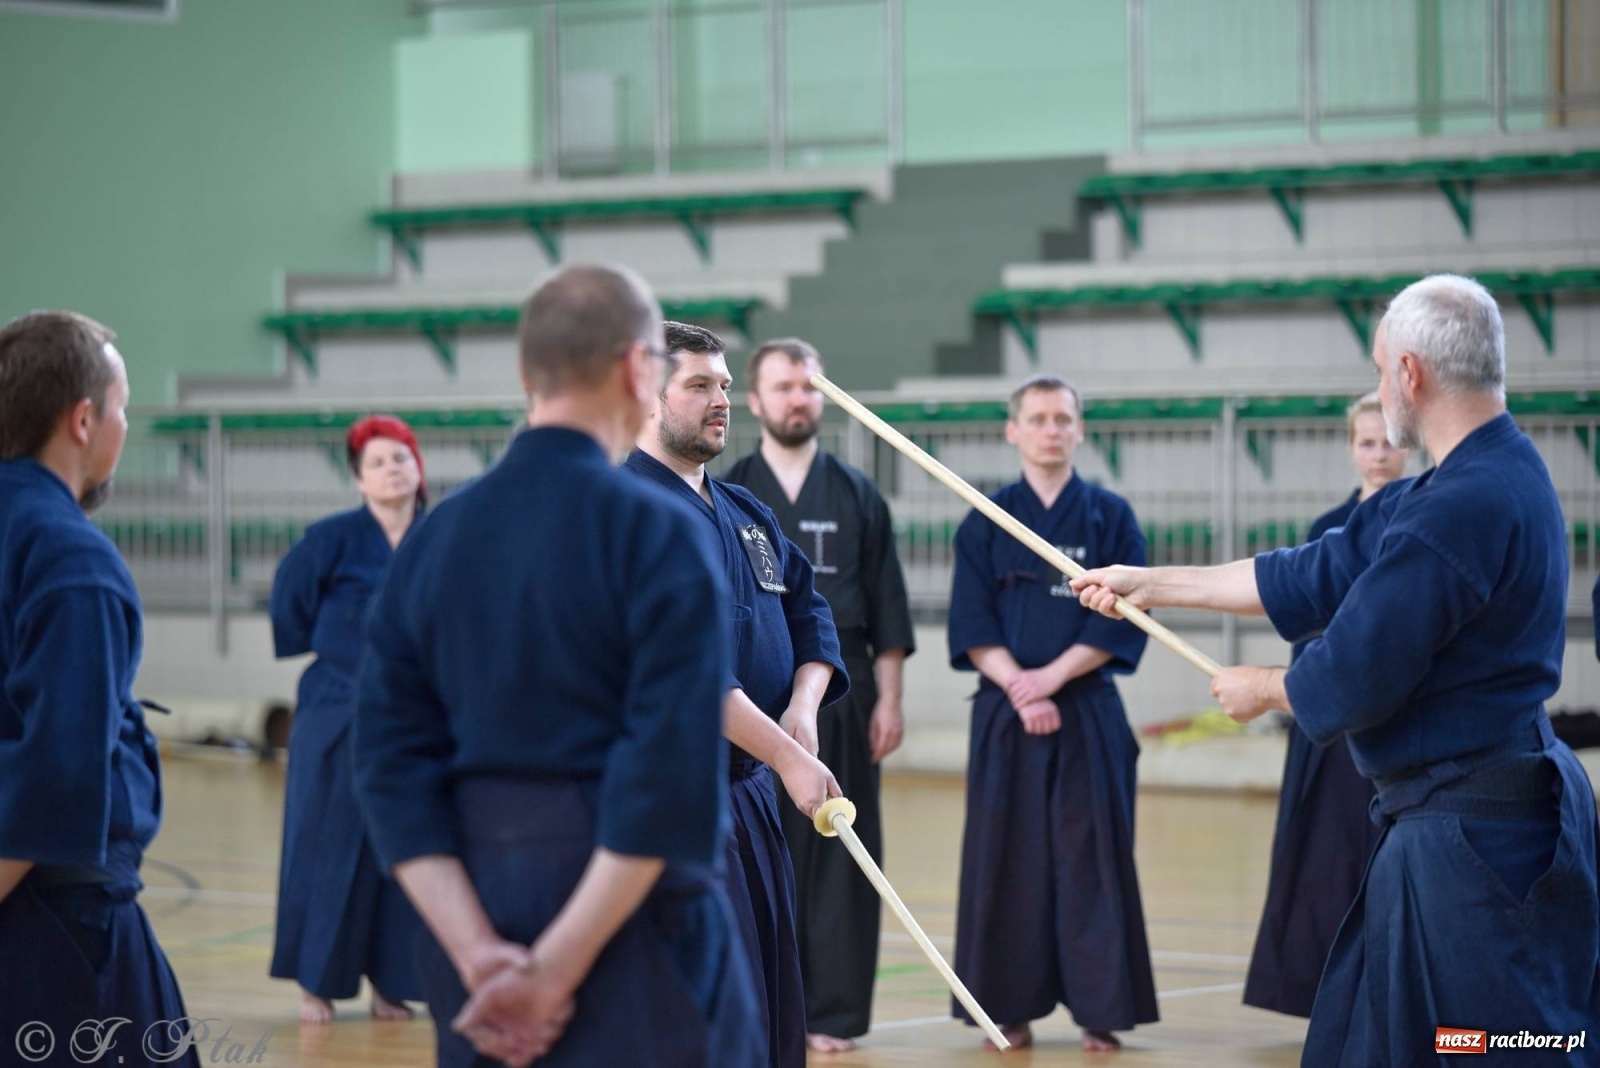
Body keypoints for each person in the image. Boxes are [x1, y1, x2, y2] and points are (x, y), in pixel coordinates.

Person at [1073, 274, 1600, 1067]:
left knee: (1485, 1048)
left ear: (1411, 375)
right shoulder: (1478, 477)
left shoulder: (1463, 505)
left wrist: (1266, 688)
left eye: (1382, 365)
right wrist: (1153, 584)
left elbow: (1355, 670)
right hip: (1467, 823)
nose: (1381, 385)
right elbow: (1313, 569)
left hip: (1475, 847)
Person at [351, 265, 763, 1068]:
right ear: (639, 370)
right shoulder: (657, 532)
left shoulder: (434, 540)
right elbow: (667, 782)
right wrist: (556, 972)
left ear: (524, 373)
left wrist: (481, 959)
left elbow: (388, 768)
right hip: (634, 924)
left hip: (477, 915)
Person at [625, 322, 848, 1068]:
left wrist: (801, 712)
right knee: (698, 1014)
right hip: (670, 803)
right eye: (698, 385)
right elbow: (685, 671)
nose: (721, 400)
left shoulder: (749, 514)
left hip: (750, 798)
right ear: (644, 396)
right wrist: (787, 756)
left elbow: (811, 618)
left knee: (766, 1002)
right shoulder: (625, 512)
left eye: (724, 385)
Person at [0, 311, 200, 1067]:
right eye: (122, 407)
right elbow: (58, 772)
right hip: (53, 925)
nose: (123, 424)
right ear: (83, 420)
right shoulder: (67, 555)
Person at [946, 373, 1157, 1052]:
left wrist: (1052, 679)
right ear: (1013, 430)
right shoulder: (984, 517)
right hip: (1007, 716)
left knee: (1092, 858)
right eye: (1036, 418)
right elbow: (971, 623)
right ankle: (1006, 1008)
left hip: (1088, 710)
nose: (1050, 430)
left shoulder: (1110, 516)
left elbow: (1127, 618)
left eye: (1063, 419)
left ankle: (1101, 1005)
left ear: (1079, 429)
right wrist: (1019, 687)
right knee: (1005, 862)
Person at [723, 337, 915, 1053]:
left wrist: (889, 698)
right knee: (762, 853)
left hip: (841, 690)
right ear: (756, 400)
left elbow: (887, 605)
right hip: (747, 700)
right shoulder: (732, 491)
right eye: (783, 387)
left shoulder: (859, 493)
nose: (797, 399)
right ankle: (771, 1002)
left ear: (823, 396)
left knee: (842, 844)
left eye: (808, 387)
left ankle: (831, 1011)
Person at [1242, 392, 1408, 1018]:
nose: (1379, 454)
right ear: (1351, 449)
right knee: (1324, 861)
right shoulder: (1327, 532)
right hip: (1329, 730)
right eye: (1367, 442)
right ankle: (1325, 997)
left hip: (1390, 729)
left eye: (1389, 440)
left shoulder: (1423, 517)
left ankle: (1390, 999)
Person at [269, 415, 428, 1023]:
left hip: (412, 719)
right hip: (335, 713)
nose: (393, 469)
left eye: (402, 458)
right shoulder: (328, 538)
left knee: (403, 847)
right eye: (379, 462)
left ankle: (392, 985)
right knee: (324, 842)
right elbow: (292, 603)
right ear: (359, 480)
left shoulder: (436, 536)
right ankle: (316, 983)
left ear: (419, 470)